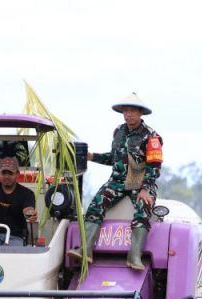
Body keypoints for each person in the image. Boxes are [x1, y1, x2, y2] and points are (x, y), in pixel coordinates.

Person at [67, 92, 163, 271]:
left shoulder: (151, 136)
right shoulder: (118, 132)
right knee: (96, 204)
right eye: (125, 111)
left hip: (139, 182)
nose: (128, 115)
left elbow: (155, 165)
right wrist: (92, 156)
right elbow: (114, 157)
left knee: (143, 210)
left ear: (140, 113)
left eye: (132, 111)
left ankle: (134, 256)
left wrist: (146, 189)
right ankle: (85, 251)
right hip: (117, 182)